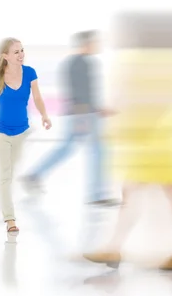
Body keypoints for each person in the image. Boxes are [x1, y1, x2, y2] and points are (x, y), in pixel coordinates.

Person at [83, 12, 172, 271]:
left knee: (142, 192)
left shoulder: (139, 61)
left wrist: (111, 111)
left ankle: (119, 248)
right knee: (161, 192)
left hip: (150, 140)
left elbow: (127, 99)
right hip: (169, 138)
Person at [20, 31, 116, 205]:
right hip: (83, 113)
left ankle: (34, 175)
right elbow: (80, 91)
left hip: (80, 112)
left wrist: (98, 108)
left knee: (67, 148)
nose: (98, 45)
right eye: (95, 42)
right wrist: (88, 112)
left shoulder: (75, 62)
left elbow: (80, 90)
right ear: (86, 43)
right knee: (98, 150)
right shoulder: (82, 62)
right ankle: (97, 195)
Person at [0, 38, 52, 232]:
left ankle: (3, 202)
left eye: (22, 50)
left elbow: (37, 97)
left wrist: (44, 115)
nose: (21, 54)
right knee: (5, 175)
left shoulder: (30, 73)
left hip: (22, 132)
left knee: (11, 173)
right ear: (5, 56)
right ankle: (10, 219)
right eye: (16, 52)